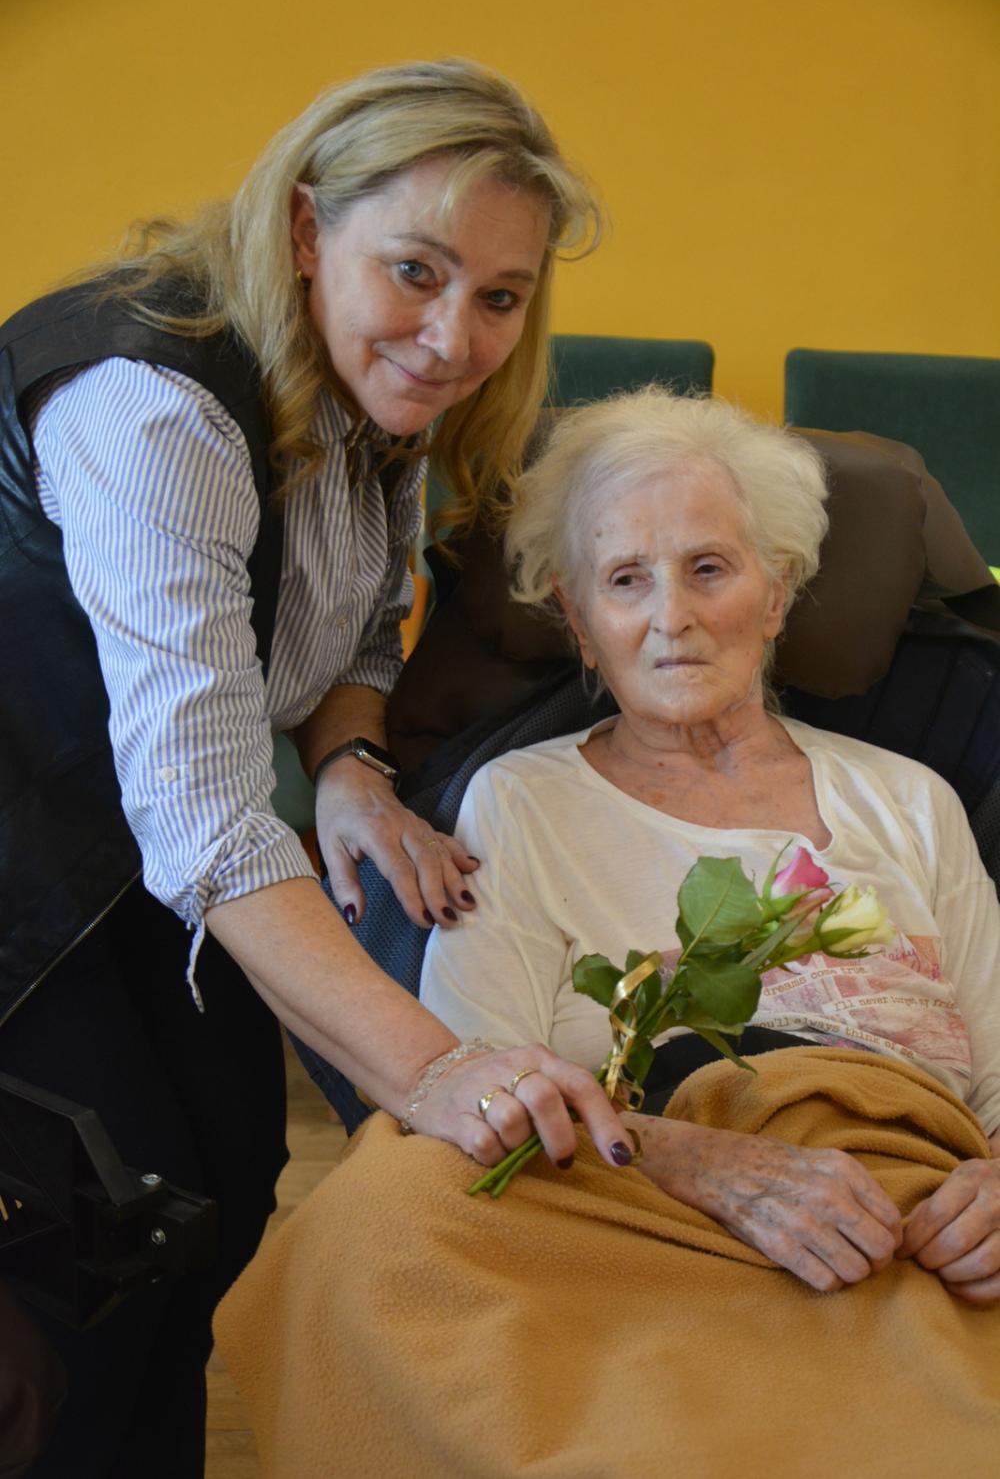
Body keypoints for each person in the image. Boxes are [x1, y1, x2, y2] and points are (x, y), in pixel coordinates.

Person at [0, 59, 632, 1477]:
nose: (453, 338)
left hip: (140, 853)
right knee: (86, 1262)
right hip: (25, 866)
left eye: (500, 296)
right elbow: (210, 822)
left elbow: (351, 624)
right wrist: (442, 1073)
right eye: (416, 270)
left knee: (223, 1183)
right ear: (303, 229)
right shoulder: (154, 410)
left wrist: (348, 764)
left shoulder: (371, 395)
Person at [215, 390, 1000, 1478]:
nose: (671, 616)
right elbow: (475, 1079)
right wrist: (699, 1162)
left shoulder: (910, 800)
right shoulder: (520, 801)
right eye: (625, 579)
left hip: (895, 1210)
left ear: (778, 592)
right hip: (634, 1200)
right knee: (380, 1215)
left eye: (709, 568)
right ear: (579, 623)